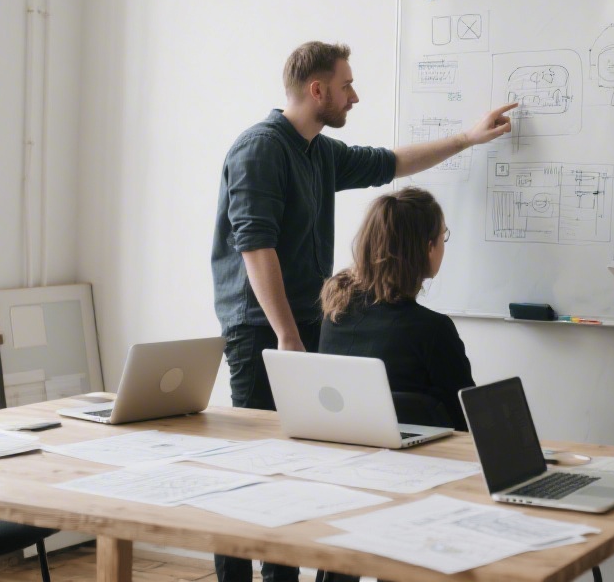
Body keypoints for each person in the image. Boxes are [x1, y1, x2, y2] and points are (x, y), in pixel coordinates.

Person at [210, 41, 512, 582]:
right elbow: (256, 248)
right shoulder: (260, 149)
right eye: (347, 85)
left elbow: (391, 164)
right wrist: (288, 336)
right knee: (252, 469)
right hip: (262, 328)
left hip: (302, 325)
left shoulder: (319, 151)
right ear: (316, 89)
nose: (356, 96)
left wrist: (468, 137)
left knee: (304, 469)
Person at [320, 187, 474, 431]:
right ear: (428, 247)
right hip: (424, 460)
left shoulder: (336, 314)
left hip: (348, 451)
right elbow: (469, 417)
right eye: (442, 237)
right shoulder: (433, 330)